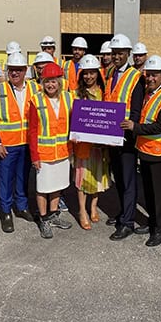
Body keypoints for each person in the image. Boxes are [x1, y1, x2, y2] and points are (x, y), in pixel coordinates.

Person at [121, 55, 161, 247]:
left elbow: (160, 127)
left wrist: (134, 127)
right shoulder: (147, 94)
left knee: (160, 195)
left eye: (155, 75)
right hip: (145, 152)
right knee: (150, 193)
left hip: (160, 155)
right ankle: (152, 223)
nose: (151, 78)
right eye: (149, 75)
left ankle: (160, 230)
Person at [0, 52, 38, 233]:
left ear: (25, 71)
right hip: (7, 146)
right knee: (6, 180)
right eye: (12, 70)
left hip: (26, 144)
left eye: (19, 70)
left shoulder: (35, 89)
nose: (15, 73)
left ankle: (22, 207)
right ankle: (6, 212)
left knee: (23, 178)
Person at [105, 33, 144, 240]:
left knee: (128, 181)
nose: (116, 56)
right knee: (118, 179)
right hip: (111, 137)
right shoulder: (110, 73)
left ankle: (128, 222)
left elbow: (136, 110)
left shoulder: (136, 77)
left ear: (128, 54)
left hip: (126, 137)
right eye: (114, 53)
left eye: (120, 53)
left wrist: (130, 131)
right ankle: (123, 213)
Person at [28, 62, 74, 239]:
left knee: (57, 186)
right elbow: (32, 130)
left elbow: (75, 124)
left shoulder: (69, 98)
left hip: (62, 152)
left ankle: (54, 214)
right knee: (43, 188)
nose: (50, 85)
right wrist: (35, 156)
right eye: (47, 81)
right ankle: (44, 219)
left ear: (59, 82)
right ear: (42, 82)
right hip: (44, 154)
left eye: (53, 81)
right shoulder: (36, 100)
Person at [73, 54, 111, 230]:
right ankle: (82, 210)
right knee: (82, 177)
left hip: (100, 146)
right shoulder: (76, 94)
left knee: (97, 176)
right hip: (83, 145)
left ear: (98, 73)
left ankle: (93, 206)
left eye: (92, 73)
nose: (88, 76)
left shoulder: (105, 94)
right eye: (85, 73)